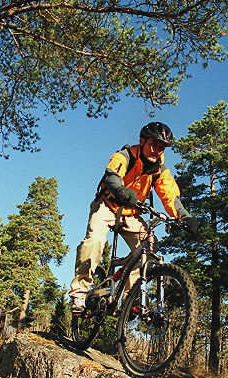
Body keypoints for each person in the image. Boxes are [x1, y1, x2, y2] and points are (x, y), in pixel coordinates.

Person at [69, 121, 198, 314]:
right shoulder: (125, 156)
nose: (157, 151)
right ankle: (80, 292)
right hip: (107, 204)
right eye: (153, 144)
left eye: (161, 148)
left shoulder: (160, 170)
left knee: (148, 248)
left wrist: (185, 217)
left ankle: (130, 299)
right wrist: (120, 190)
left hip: (131, 213)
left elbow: (170, 196)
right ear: (142, 141)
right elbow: (112, 176)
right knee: (94, 241)